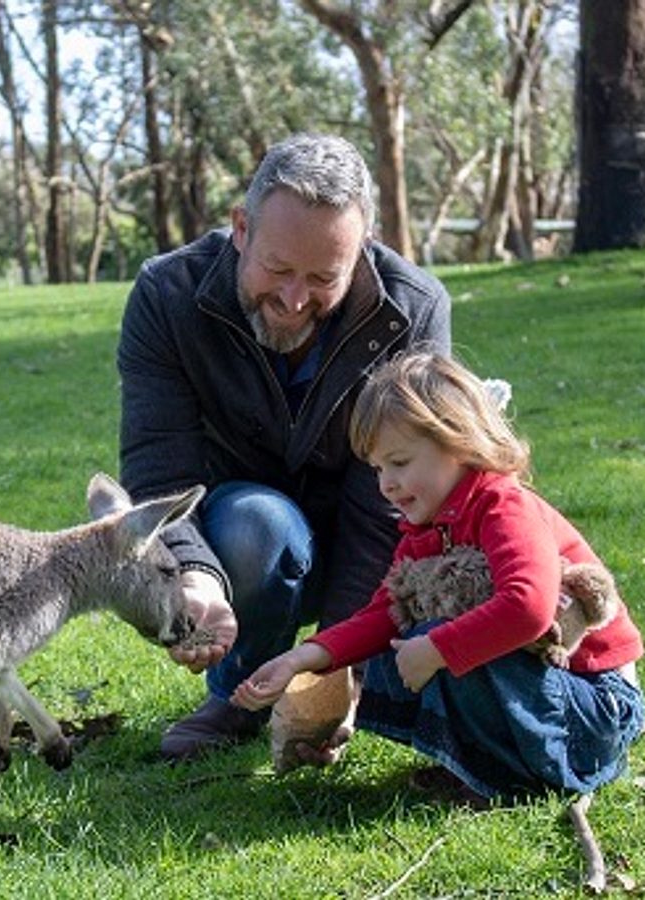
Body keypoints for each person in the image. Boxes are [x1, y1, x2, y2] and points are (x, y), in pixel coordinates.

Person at [116, 133, 452, 761]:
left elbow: (391, 501)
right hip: (240, 534)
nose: (295, 300)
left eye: (324, 276)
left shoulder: (412, 310)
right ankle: (238, 693)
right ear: (241, 228)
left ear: (363, 250)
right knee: (260, 526)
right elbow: (158, 465)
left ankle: (334, 692)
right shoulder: (167, 295)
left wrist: (335, 663)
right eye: (278, 269)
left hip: (366, 537)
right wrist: (195, 573)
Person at [232, 352, 645, 800]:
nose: (386, 484)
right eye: (377, 468)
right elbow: (383, 616)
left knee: (436, 637)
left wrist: (435, 649)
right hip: (548, 695)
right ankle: (480, 764)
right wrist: (300, 659)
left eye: (400, 462)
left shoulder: (502, 505)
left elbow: (529, 609)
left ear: (459, 444)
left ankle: (514, 775)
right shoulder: (426, 528)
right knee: (392, 648)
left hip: (595, 706)